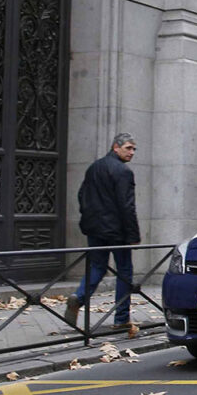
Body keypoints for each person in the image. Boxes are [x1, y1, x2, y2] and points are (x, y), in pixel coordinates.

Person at [65, 133, 141, 328]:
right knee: (124, 271)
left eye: (134, 149)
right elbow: (127, 206)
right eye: (128, 148)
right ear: (116, 147)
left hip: (95, 229)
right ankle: (121, 319)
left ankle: (79, 297)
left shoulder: (94, 167)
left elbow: (82, 194)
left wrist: (89, 217)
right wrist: (133, 234)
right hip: (116, 231)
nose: (132, 152)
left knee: (97, 267)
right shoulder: (123, 171)